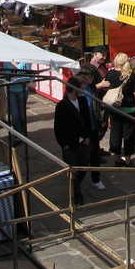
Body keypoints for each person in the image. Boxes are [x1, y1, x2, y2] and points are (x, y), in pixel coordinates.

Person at [53, 76, 91, 206]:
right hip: (70, 144)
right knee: (73, 171)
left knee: (84, 167)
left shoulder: (83, 101)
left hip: (83, 142)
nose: (83, 90)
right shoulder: (62, 105)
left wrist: (87, 137)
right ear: (74, 90)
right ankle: (76, 198)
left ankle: (75, 188)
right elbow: (58, 127)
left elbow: (87, 120)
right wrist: (64, 145)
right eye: (81, 88)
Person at [105, 53, 135, 168]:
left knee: (115, 132)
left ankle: (117, 158)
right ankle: (128, 160)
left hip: (115, 109)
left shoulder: (109, 74)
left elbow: (106, 86)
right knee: (128, 135)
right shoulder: (132, 76)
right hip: (129, 109)